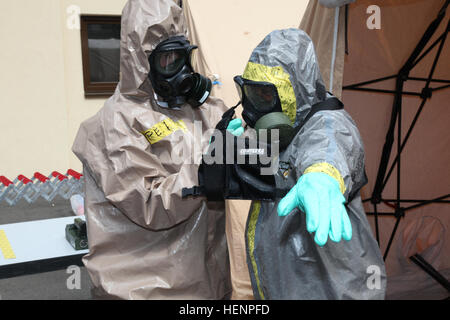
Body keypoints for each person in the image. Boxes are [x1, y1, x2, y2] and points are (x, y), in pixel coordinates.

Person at [72, 0, 231, 299]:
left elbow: (230, 132)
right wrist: (206, 171)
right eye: (166, 59)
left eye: (181, 57)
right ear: (140, 59)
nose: (178, 70)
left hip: (208, 281)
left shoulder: (193, 110)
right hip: (145, 288)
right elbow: (151, 203)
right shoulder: (113, 125)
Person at [230, 28, 387, 299]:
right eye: (251, 94)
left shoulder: (329, 124)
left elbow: (328, 147)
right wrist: (234, 145)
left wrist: (322, 176)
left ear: (294, 90)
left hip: (335, 291)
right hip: (291, 284)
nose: (255, 109)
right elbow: (270, 159)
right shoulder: (285, 125)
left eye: (265, 96)